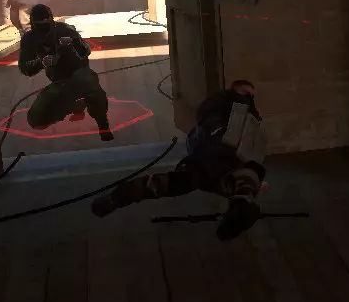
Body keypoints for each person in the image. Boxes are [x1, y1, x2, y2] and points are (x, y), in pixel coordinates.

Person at [91, 79, 267, 239]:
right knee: (174, 182)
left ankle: (240, 207)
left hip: (222, 162)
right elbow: (209, 120)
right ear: (236, 89)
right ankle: (116, 198)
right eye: (246, 93)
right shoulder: (222, 102)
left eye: (251, 96)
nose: (249, 98)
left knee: (242, 180)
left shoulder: (243, 112)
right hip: (212, 155)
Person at [18, 4, 112, 141]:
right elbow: (24, 68)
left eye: (46, 23)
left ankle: (102, 124)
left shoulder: (64, 29)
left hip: (80, 74)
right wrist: (41, 63)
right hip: (59, 82)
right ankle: (73, 105)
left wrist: (74, 42)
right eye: (40, 25)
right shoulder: (29, 39)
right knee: (36, 119)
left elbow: (86, 50)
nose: (44, 28)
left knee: (91, 85)